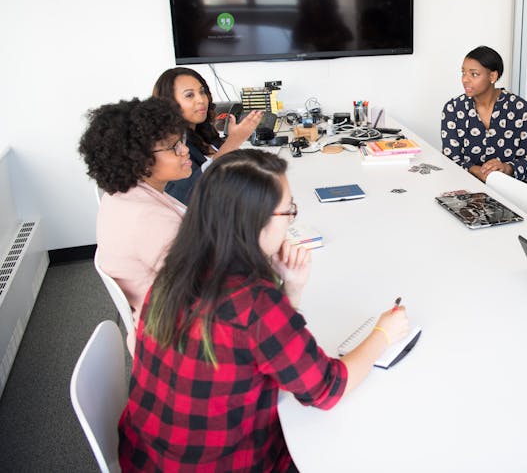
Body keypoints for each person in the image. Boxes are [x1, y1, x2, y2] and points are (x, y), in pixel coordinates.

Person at [119, 150, 410, 471]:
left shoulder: (176, 270)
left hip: (148, 457)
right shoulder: (254, 303)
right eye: (288, 212)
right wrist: (384, 333)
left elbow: (257, 349)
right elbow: (327, 389)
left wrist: (290, 290)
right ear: (255, 223)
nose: (290, 222)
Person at [78, 97, 191, 348]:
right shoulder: (148, 219)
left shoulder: (123, 195)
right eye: (173, 147)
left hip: (158, 320)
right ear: (138, 159)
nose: (184, 150)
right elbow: (206, 290)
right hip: (177, 341)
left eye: (181, 141)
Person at [153, 67, 263, 205]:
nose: (201, 100)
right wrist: (233, 142)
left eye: (202, 92)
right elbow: (190, 195)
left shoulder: (204, 133)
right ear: (169, 103)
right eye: (189, 95)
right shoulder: (170, 148)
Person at [441, 46, 527, 183]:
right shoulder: (453, 109)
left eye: (474, 74)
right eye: (463, 73)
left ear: (492, 76)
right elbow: (450, 159)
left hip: (510, 190)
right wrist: (478, 172)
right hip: (466, 187)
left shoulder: (520, 110)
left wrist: (505, 168)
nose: (465, 80)